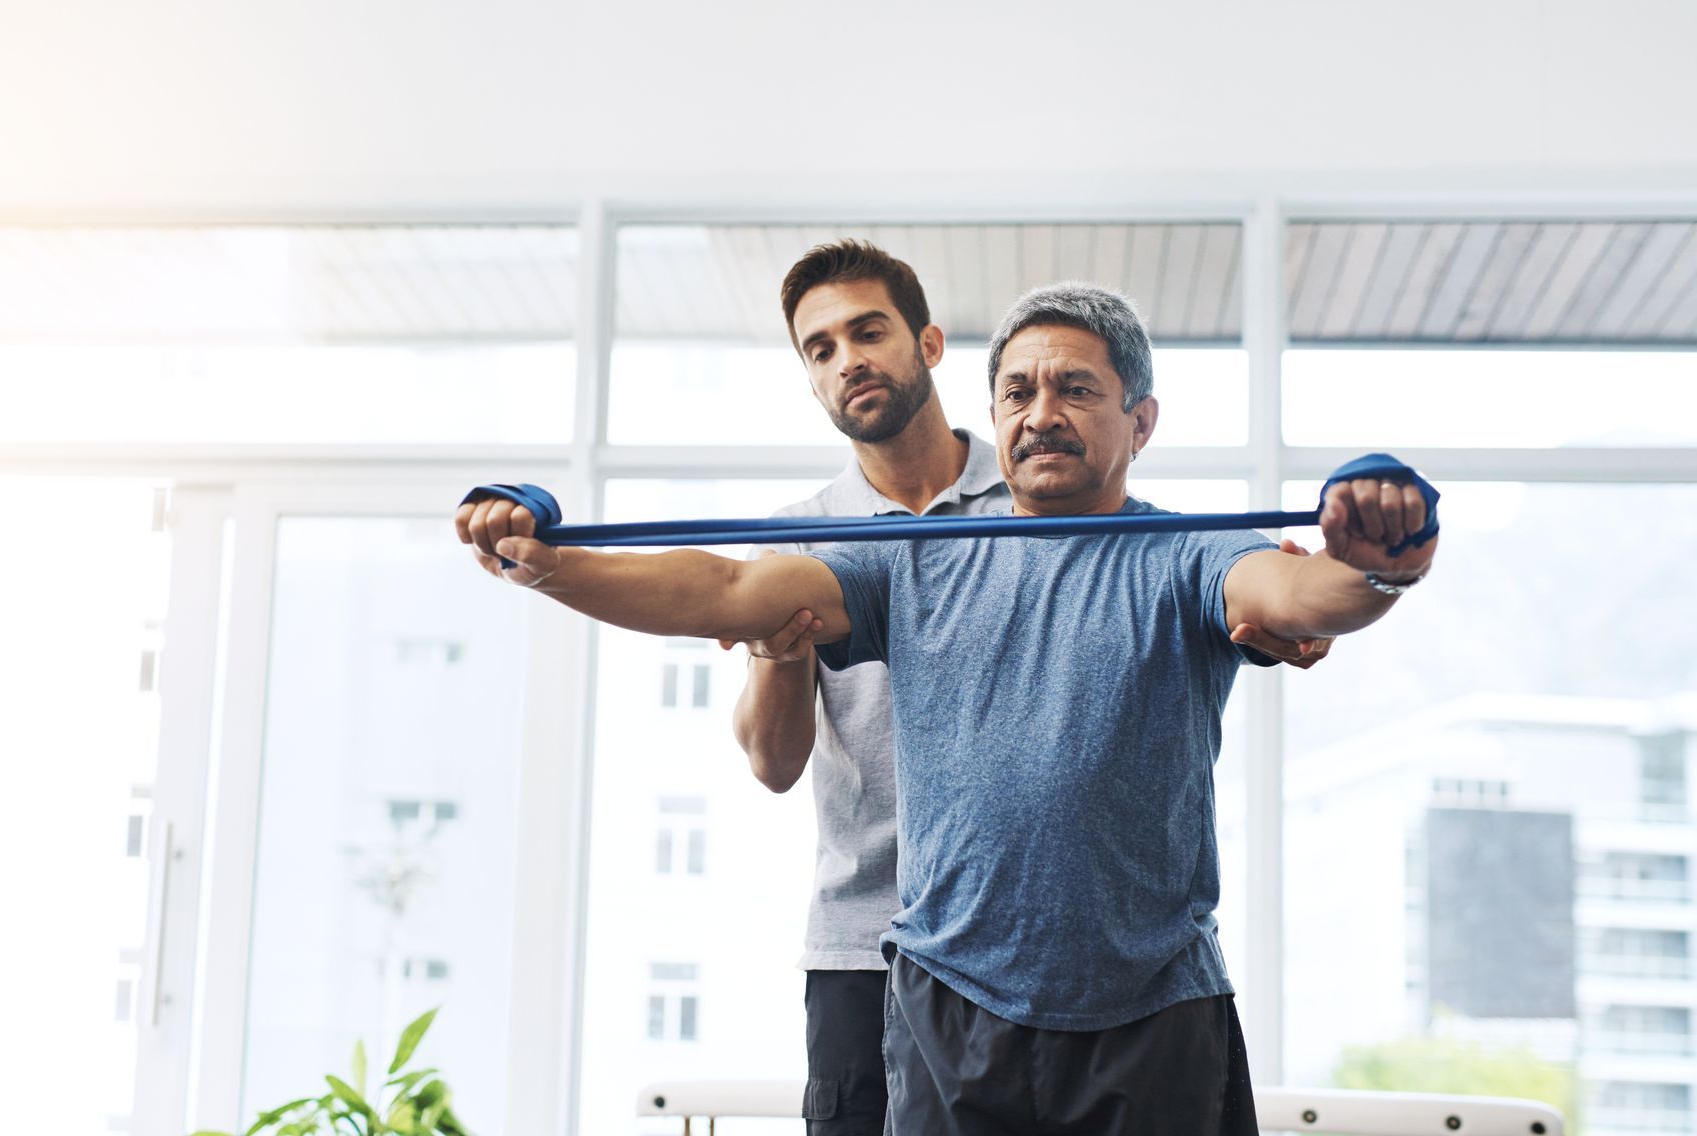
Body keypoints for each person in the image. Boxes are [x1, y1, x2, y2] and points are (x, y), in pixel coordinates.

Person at [456, 281, 1435, 1135]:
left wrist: (1379, 564)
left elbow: (1302, 597)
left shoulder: (1188, 555)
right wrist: (550, 563)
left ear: (1141, 422)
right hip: (951, 1009)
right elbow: (722, 587)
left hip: (1153, 1014)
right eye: (1018, 390)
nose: (1040, 412)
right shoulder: (920, 555)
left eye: (1076, 389)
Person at [723, 241, 1333, 1136]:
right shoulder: (800, 538)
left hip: (1078, 955)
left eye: (867, 331)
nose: (847, 359)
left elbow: (1235, 597)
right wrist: (779, 641)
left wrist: (1314, 599)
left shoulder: (1039, 482)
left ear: (928, 345)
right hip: (871, 948)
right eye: (819, 349)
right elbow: (774, 764)